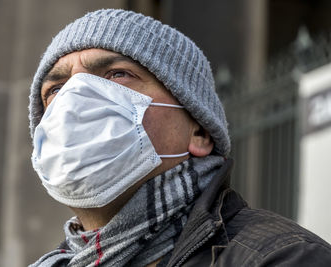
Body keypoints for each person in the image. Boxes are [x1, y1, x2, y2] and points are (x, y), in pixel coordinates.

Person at [28, 9, 331, 267]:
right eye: (55, 90)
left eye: (117, 74)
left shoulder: (282, 257)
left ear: (198, 131)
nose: (75, 103)